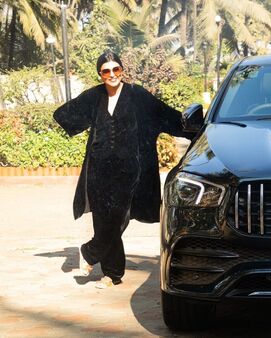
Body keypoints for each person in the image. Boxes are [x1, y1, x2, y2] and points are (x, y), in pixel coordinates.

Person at [53, 51, 193, 289]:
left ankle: (90, 250)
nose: (111, 75)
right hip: (99, 170)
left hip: (131, 172)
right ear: (100, 74)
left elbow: (166, 115)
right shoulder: (94, 96)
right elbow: (63, 114)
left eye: (115, 69)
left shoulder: (137, 95)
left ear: (122, 71)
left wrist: (199, 128)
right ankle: (112, 274)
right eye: (106, 71)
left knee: (118, 217)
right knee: (102, 219)